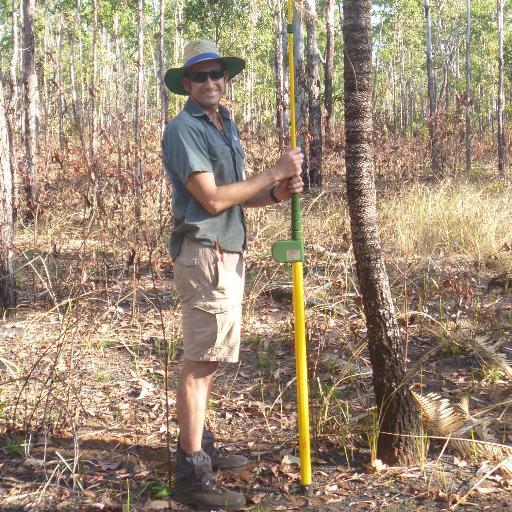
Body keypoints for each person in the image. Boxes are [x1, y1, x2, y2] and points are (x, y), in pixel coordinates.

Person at [162, 40, 303, 510]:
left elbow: (238, 195)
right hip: (205, 255)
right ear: (186, 83)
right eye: (199, 76)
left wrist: (278, 192)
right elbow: (213, 199)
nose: (209, 83)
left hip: (227, 252)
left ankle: (201, 444)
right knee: (201, 364)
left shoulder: (226, 126)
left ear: (225, 79)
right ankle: (192, 473)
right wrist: (271, 172)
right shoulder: (183, 130)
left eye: (215, 74)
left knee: (211, 358)